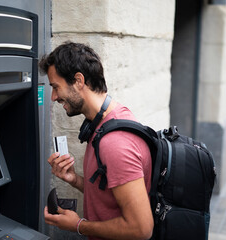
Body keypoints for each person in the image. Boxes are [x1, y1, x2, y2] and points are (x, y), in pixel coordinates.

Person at [39, 41, 154, 240]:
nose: (53, 97)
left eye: (56, 87)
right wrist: (74, 180)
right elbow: (112, 195)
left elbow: (141, 228)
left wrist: (78, 226)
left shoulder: (115, 143)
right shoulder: (108, 119)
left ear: (78, 80)